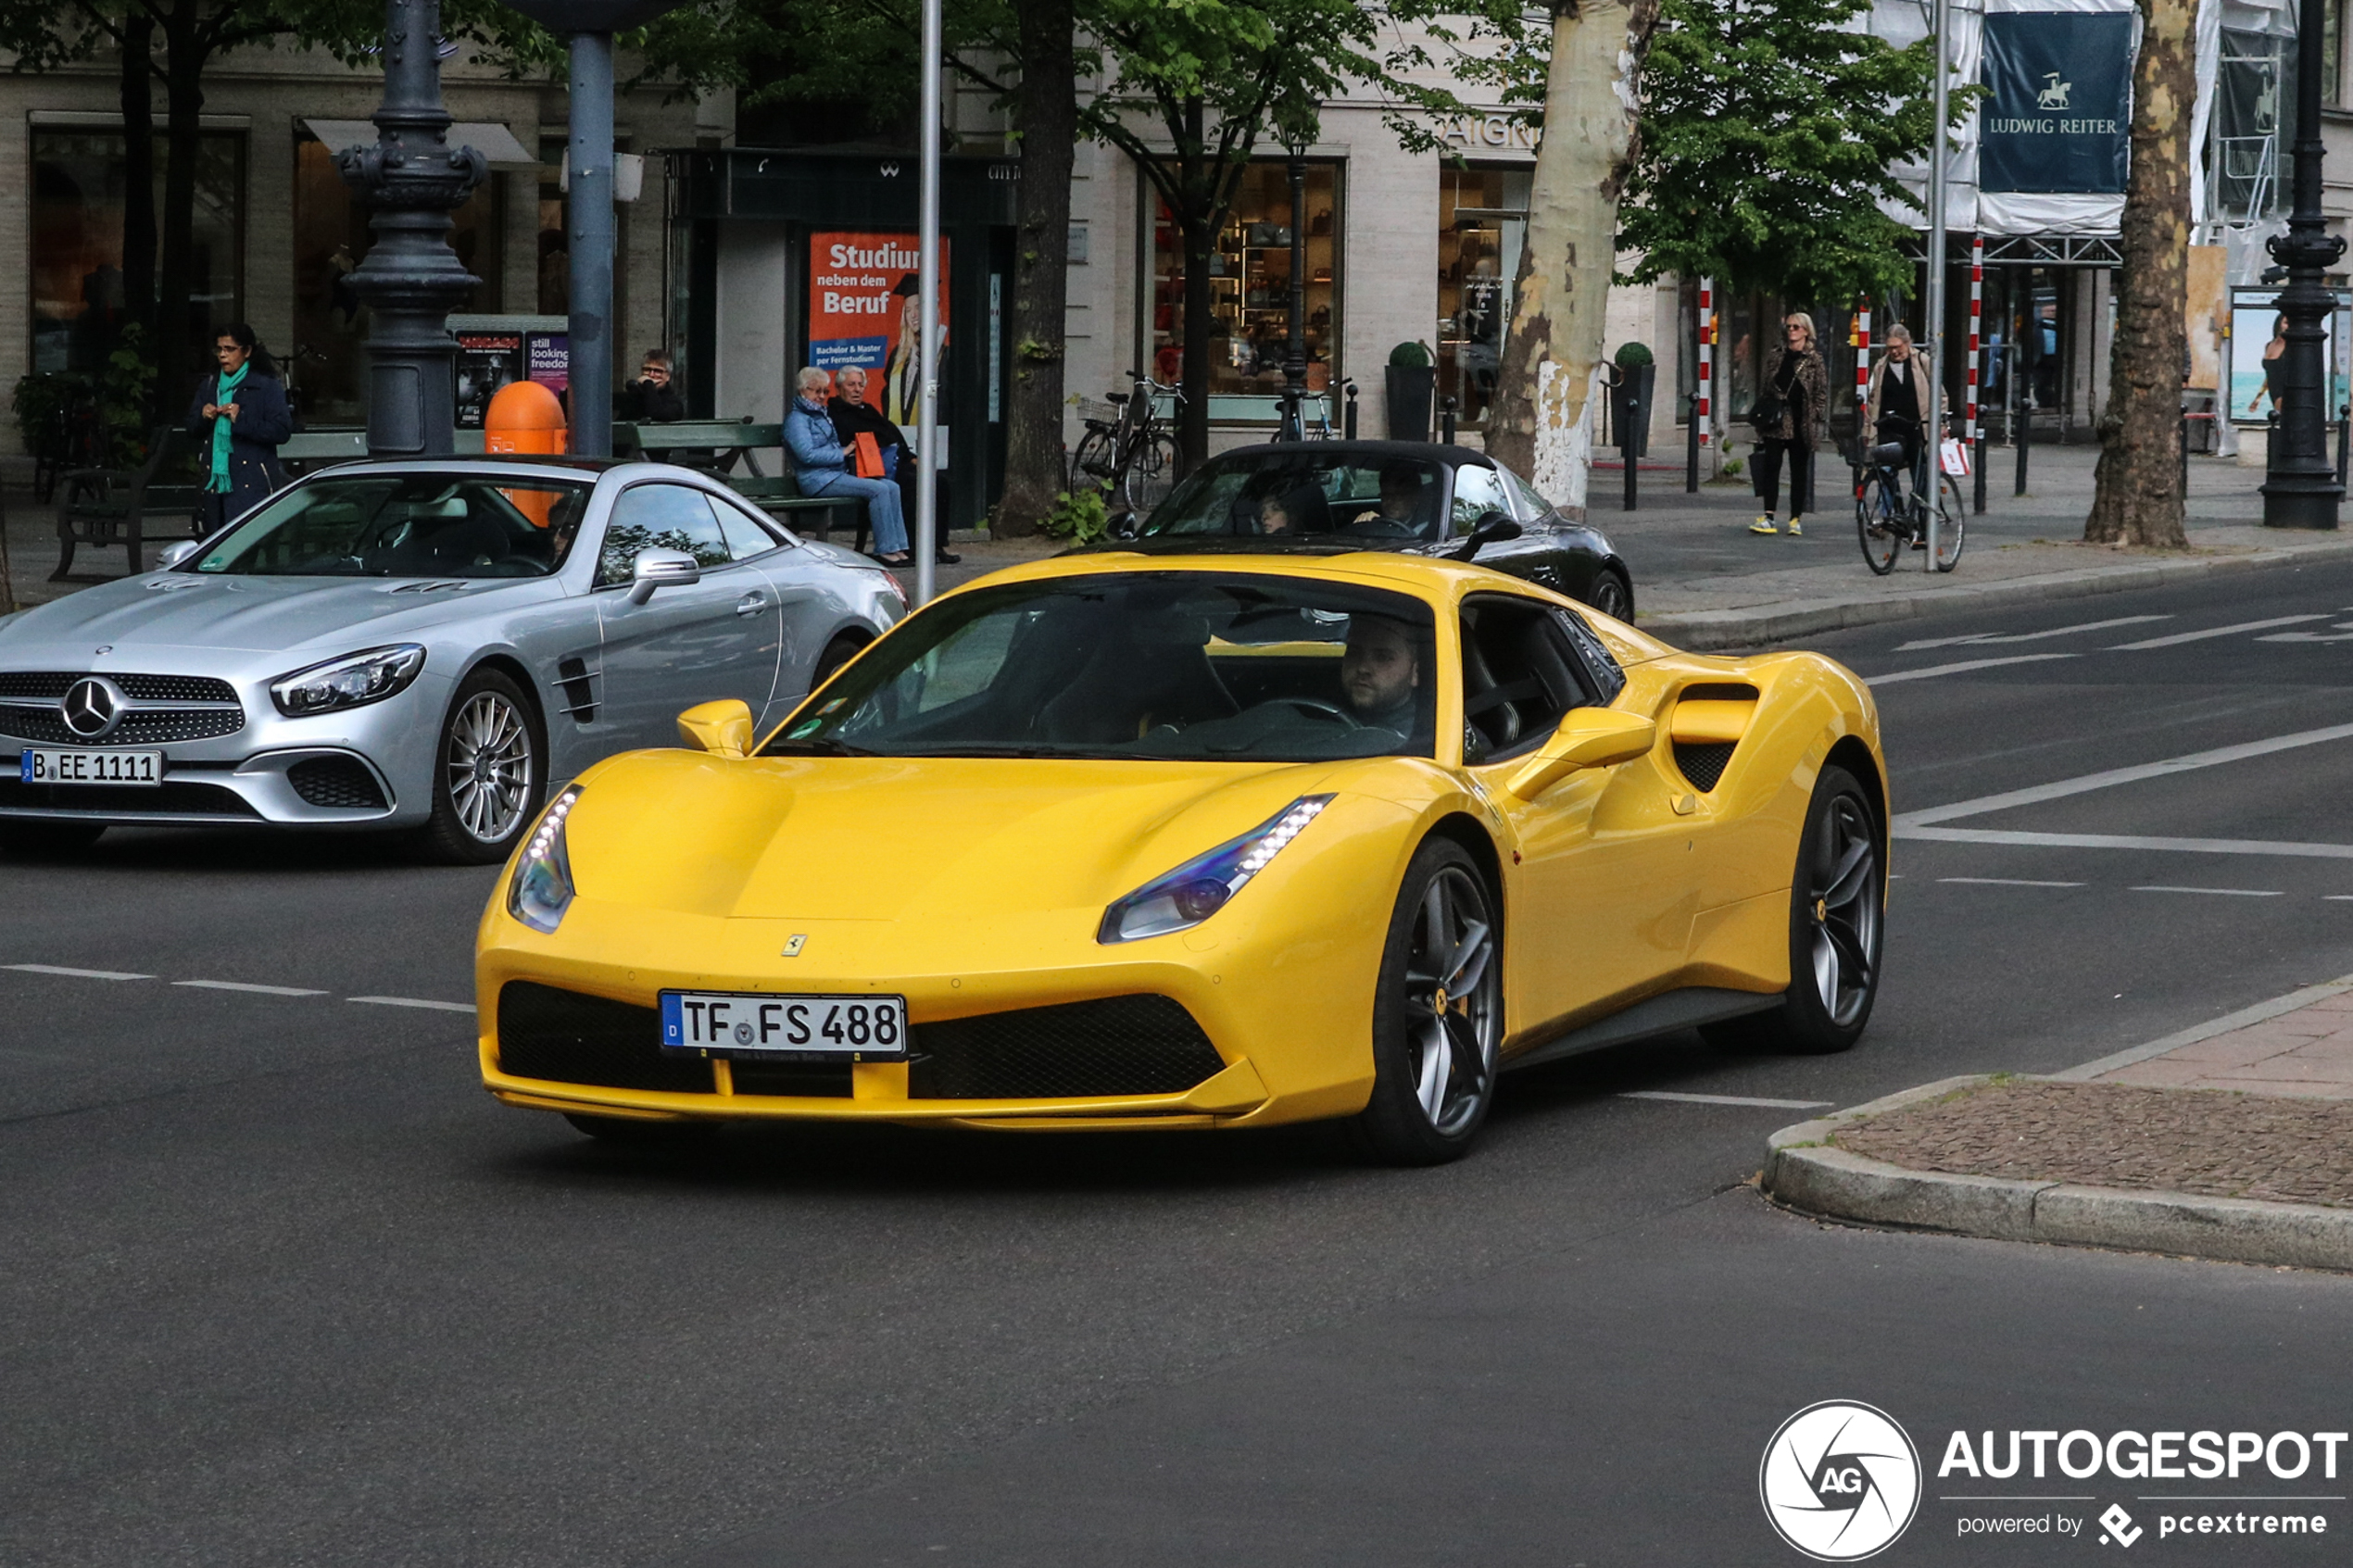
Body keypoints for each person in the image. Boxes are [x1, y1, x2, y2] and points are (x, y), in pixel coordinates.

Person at [828, 365, 958, 565]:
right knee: (911, 486)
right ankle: (912, 547)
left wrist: (911, 457)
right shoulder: (836, 412)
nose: (857, 390)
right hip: (872, 469)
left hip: (895, 462)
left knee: (939, 484)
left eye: (861, 385)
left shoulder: (868, 409)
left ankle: (936, 545)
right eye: (851, 385)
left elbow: (891, 434)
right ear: (839, 388)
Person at [785, 365, 912, 567]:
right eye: (815, 390)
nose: (820, 396)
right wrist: (842, 452)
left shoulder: (821, 415)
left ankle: (899, 547)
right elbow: (806, 455)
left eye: (824, 391)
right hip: (816, 479)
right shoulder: (797, 420)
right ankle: (886, 550)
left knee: (891, 486)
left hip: (834, 474)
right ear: (802, 390)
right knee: (878, 489)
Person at [186, 323, 292, 535]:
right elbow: (192, 429)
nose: (223, 355)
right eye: (219, 349)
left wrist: (240, 419)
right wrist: (203, 416)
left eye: (230, 349)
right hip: (214, 486)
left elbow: (281, 431)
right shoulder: (210, 385)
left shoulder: (265, 386)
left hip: (250, 483)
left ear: (247, 351)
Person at [1750, 312, 1830, 536]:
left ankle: (1795, 518)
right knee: (1771, 466)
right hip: (1777, 421)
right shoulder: (1777, 355)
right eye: (1789, 327)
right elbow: (1766, 386)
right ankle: (1769, 515)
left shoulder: (1814, 359)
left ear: (1806, 331)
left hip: (1801, 421)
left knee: (1798, 471)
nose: (1791, 331)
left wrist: (1815, 415)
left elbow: (1821, 391)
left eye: (1796, 327)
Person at [1864, 321, 1933, 492]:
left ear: (1908, 343)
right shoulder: (1881, 366)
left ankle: (1923, 514)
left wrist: (1941, 423)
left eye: (1898, 347)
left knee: (1920, 476)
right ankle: (1889, 515)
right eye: (1890, 348)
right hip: (1888, 429)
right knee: (1886, 473)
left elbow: (1940, 394)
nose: (1894, 352)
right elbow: (1873, 401)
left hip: (1915, 429)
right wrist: (1867, 430)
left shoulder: (1922, 361)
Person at [1340, 613, 1420, 735]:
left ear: (1416, 672)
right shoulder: (1317, 712)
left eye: (1383, 657)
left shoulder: (1425, 737)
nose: (1362, 668)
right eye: (1354, 653)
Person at [616, 349, 686, 423]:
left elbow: (656, 413)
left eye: (658, 371)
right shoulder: (633, 398)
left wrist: (649, 384)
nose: (651, 375)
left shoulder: (674, 403)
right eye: (647, 370)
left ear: (668, 376)